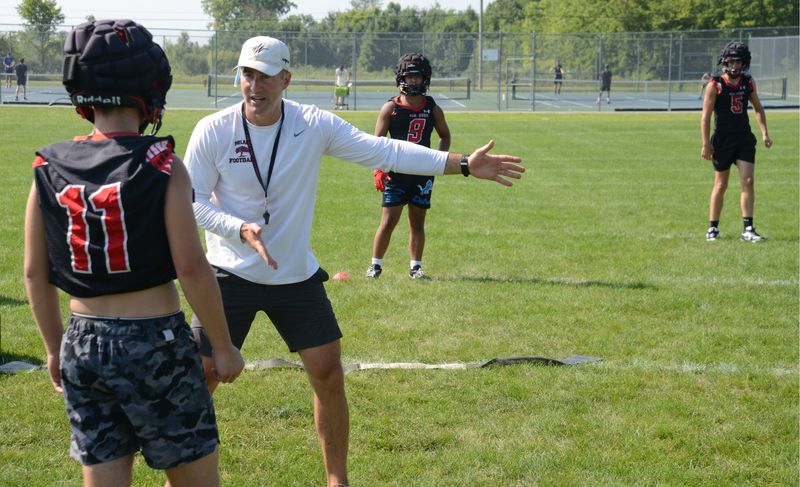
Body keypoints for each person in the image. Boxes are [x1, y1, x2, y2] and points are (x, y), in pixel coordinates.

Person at [183, 35, 523, 487]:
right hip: (227, 272)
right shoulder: (213, 129)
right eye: (247, 74)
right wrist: (237, 228)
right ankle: (183, 478)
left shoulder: (312, 124)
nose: (254, 85)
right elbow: (190, 202)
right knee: (200, 376)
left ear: (286, 79)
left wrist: (460, 164)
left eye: (265, 76)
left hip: (294, 275)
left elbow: (386, 151)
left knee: (327, 373)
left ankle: (337, 481)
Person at [23, 19, 244, 487]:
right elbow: (190, 266)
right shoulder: (162, 163)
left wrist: (53, 348)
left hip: (82, 339)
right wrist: (222, 347)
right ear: (150, 89)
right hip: (153, 339)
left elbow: (33, 273)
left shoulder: (47, 166)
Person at [366, 53, 451, 279]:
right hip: (396, 172)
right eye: (409, 76)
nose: (413, 81)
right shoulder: (390, 108)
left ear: (425, 79)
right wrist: (378, 169)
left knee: (417, 221)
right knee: (388, 220)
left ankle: (415, 267)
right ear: (401, 78)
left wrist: (439, 162)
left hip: (423, 173)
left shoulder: (432, 108)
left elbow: (445, 135)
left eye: (417, 77)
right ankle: (375, 265)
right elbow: (377, 143)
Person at [701, 41, 773, 242]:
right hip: (723, 140)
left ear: (744, 63)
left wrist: (765, 133)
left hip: (743, 138)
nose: (735, 66)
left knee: (748, 181)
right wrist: (706, 143)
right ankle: (713, 227)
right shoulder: (714, 85)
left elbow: (758, 108)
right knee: (721, 184)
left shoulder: (748, 83)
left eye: (739, 62)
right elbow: (705, 117)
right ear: (725, 62)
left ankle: (748, 228)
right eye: (732, 61)